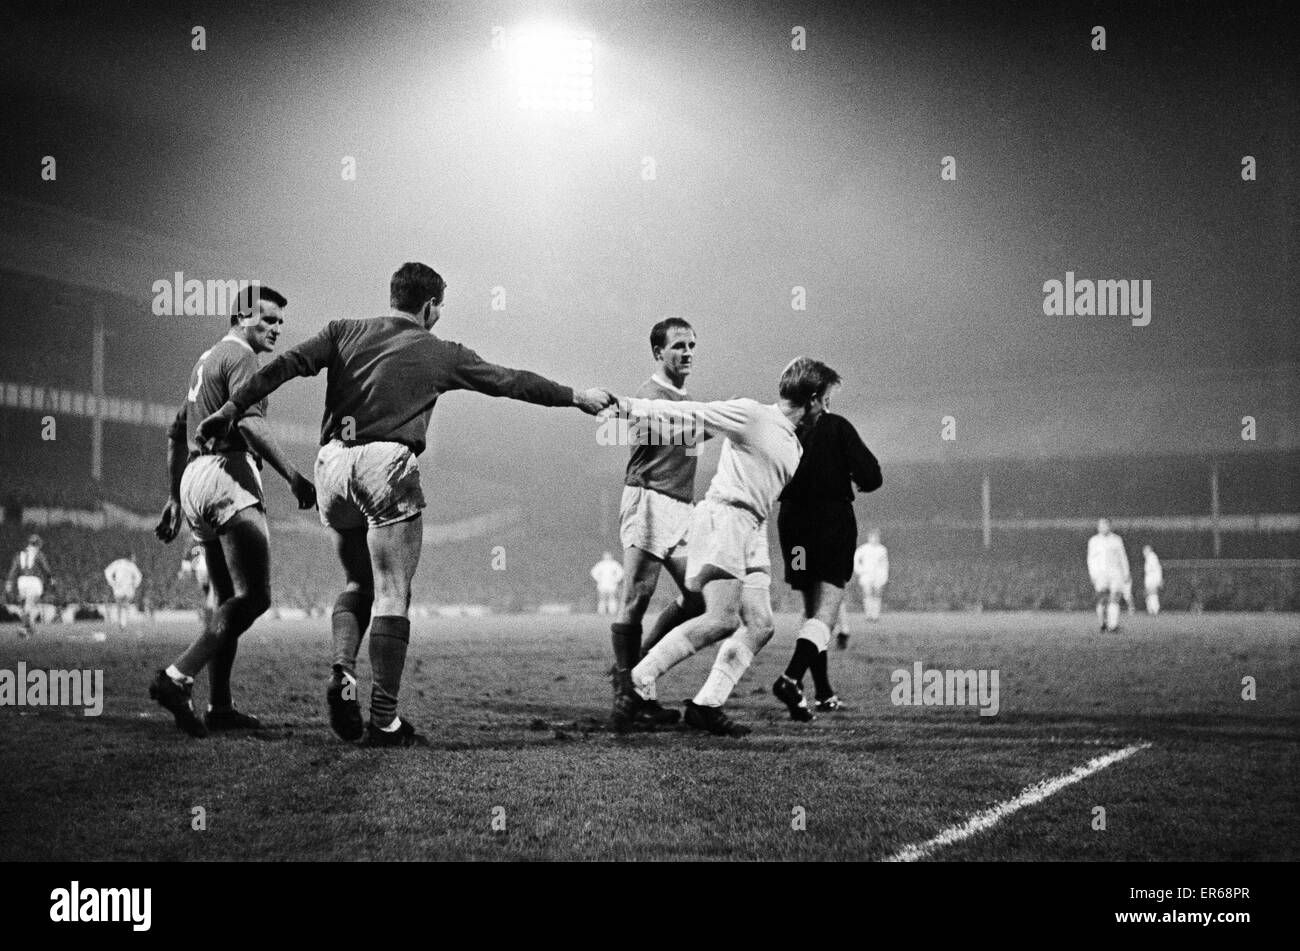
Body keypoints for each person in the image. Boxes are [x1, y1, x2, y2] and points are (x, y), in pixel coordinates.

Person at [198, 262, 611, 747]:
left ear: (393, 295)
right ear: (431, 306)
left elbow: (284, 366)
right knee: (394, 591)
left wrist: (229, 408)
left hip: (331, 466)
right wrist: (575, 396)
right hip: (385, 465)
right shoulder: (440, 351)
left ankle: (343, 671)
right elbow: (511, 381)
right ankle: (386, 721)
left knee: (358, 581)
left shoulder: (343, 330)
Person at [613, 357, 839, 736]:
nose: (827, 409)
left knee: (761, 625)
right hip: (725, 518)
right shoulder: (752, 415)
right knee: (721, 619)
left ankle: (706, 706)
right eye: (827, 400)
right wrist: (624, 405)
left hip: (753, 526)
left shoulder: (795, 445)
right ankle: (636, 681)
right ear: (813, 399)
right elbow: (690, 411)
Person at [153, 284, 317, 738]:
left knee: (225, 600)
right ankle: (177, 677)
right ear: (242, 316)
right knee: (255, 597)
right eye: (267, 319)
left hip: (195, 483)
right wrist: (293, 475)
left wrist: (172, 497)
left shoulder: (205, 362)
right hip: (228, 475)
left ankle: (220, 706)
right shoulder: (242, 357)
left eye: (281, 322)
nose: (276, 329)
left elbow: (174, 431)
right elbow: (249, 420)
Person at [609, 317, 709, 729]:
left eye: (691, 346)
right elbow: (664, 432)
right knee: (638, 596)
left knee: (698, 597)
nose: (686, 353)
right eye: (678, 346)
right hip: (648, 499)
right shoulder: (648, 396)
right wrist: (713, 423)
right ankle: (628, 694)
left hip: (682, 507)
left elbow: (694, 434)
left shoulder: (687, 400)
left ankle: (637, 674)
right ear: (658, 353)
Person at [771, 387, 881, 720]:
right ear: (816, 398)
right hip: (829, 524)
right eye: (826, 395)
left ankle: (823, 693)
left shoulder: (782, 428)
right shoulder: (837, 427)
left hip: (793, 528)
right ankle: (791, 678)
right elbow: (871, 476)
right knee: (828, 608)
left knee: (811, 608)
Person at [5, 535, 54, 638]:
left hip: (21, 581)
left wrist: (9, 583)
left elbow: (13, 570)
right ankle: (25, 628)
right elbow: (45, 568)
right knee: (30, 604)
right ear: (38, 544)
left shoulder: (19, 554)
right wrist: (50, 578)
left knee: (25, 605)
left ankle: (29, 627)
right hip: (33, 581)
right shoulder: (38, 553)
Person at [1087, 518, 1130, 632]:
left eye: (1105, 525)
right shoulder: (1093, 541)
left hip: (1115, 572)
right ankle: (1102, 624)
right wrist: (1092, 574)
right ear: (1098, 527)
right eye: (1101, 525)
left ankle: (1113, 625)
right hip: (1100, 574)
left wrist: (1126, 572)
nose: (1103, 527)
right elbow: (1090, 559)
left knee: (1115, 598)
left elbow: (1122, 557)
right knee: (1102, 600)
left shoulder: (1116, 540)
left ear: (1110, 526)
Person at [853, 531, 889, 624]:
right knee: (867, 593)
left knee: (877, 594)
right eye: (872, 537)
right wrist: (860, 571)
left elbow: (885, 564)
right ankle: (868, 615)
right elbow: (856, 560)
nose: (874, 539)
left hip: (878, 575)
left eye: (876, 537)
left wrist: (884, 576)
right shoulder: (863, 549)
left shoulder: (882, 549)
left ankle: (875, 615)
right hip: (866, 575)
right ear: (869, 538)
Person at [104, 555, 143, 630]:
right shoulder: (130, 565)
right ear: (130, 557)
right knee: (125, 605)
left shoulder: (118, 563)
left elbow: (107, 571)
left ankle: (121, 623)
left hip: (120, 588)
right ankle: (123, 623)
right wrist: (135, 584)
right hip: (126, 588)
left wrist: (112, 582)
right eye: (133, 557)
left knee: (120, 605)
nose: (134, 559)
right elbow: (139, 576)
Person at [1142, 545, 1163, 615]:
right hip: (1150, 578)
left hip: (1152, 578)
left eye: (1144, 551)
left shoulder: (1152, 557)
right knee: (1149, 594)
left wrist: (1159, 579)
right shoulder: (1149, 558)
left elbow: (1157, 569)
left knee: (1152, 594)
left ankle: (1154, 609)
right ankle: (1150, 609)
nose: (1143, 553)